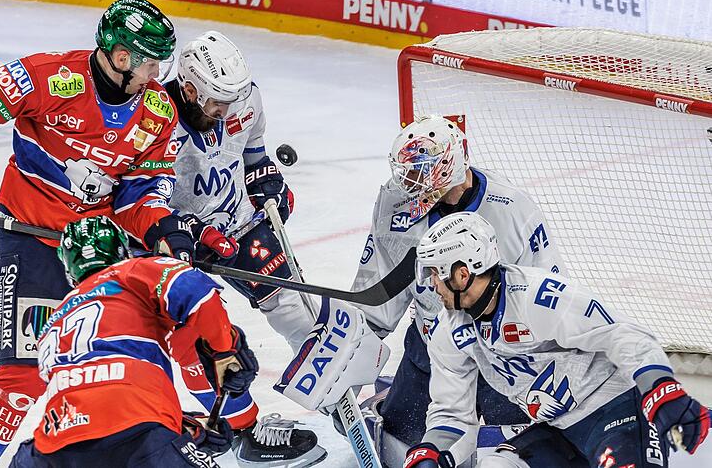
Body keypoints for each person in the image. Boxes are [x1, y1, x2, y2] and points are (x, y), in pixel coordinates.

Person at [0, 0, 234, 466]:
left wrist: (164, 229)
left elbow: (141, 193)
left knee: (130, 359)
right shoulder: (49, 78)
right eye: (150, 64)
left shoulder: (156, 112)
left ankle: (181, 433)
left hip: (103, 254)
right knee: (22, 379)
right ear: (120, 58)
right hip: (32, 241)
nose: (158, 77)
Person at [403, 212, 710, 468]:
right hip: (559, 430)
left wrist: (661, 389)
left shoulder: (539, 297)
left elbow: (622, 334)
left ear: (462, 272)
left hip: (619, 411)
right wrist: (431, 452)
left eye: (435, 273)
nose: (432, 284)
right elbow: (452, 414)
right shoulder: (448, 332)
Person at [351, 115, 567, 461]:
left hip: (503, 357)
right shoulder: (397, 202)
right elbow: (377, 288)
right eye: (408, 172)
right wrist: (351, 359)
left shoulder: (512, 210)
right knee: (400, 448)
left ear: (449, 165)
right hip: (431, 349)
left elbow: (549, 294)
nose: (411, 182)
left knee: (516, 451)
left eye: (422, 171)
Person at [162, 31, 325, 467]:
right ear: (189, 88)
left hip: (236, 222)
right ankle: (241, 432)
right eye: (217, 102)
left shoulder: (244, 99)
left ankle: (339, 397)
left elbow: (253, 152)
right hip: (171, 240)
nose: (226, 111)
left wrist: (267, 180)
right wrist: (188, 234)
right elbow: (142, 199)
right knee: (196, 337)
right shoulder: (154, 121)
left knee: (297, 308)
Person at [7, 215, 258, 467]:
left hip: (51, 450)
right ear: (121, 250)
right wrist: (225, 349)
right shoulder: (129, 271)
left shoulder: (52, 322)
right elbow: (196, 293)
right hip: (140, 433)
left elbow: (91, 400)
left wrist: (183, 426)